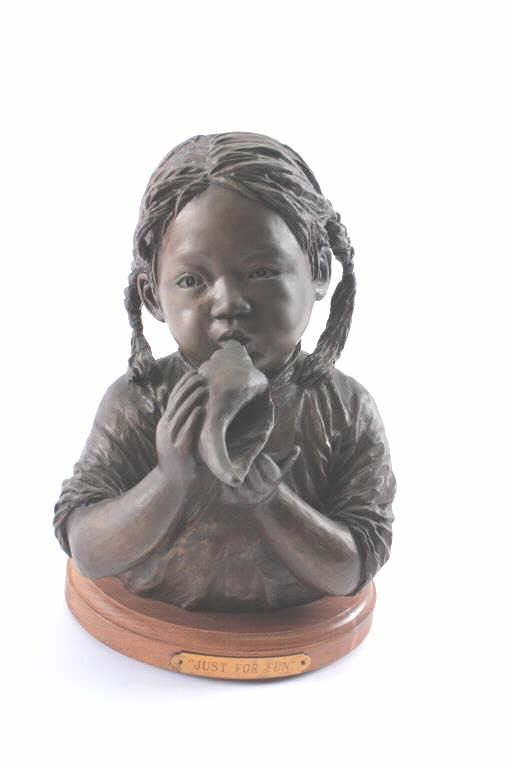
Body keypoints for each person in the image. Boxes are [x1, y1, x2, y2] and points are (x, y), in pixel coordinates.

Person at [53, 132, 396, 612]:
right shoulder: (141, 400)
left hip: (290, 631)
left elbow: (354, 566)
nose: (229, 303)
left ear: (318, 270)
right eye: (192, 280)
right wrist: (170, 479)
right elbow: (87, 549)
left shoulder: (345, 409)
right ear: (152, 295)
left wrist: (271, 500)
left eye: (261, 272)